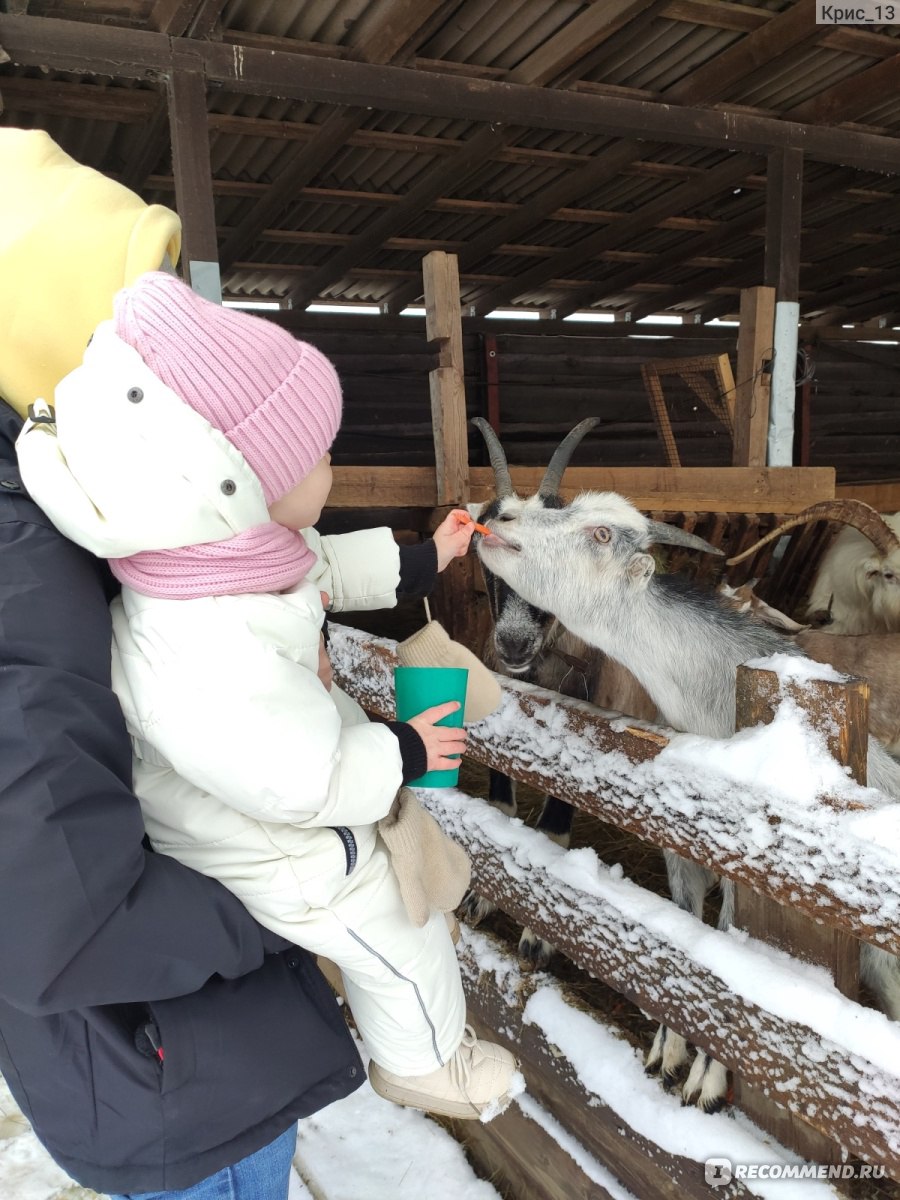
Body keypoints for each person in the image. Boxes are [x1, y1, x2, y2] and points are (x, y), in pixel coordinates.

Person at [17, 270, 521, 1130]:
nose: (331, 466)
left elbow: (318, 570)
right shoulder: (201, 644)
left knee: (397, 880)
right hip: (268, 835)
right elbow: (297, 780)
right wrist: (404, 751)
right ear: (230, 486)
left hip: (279, 777)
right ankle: (426, 1063)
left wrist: (423, 559)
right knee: (401, 937)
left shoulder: (219, 556)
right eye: (316, 457)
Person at [0, 127, 364, 1200]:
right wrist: (299, 891)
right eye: (134, 305)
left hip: (188, 1049)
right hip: (165, 1061)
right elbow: (60, 918)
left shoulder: (86, 499)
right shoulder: (21, 547)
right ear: (56, 336)